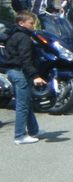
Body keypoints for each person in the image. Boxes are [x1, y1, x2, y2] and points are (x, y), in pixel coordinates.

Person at [5, 11, 47, 144]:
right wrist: (35, 75)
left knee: (26, 102)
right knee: (22, 105)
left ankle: (34, 130)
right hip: (19, 72)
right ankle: (19, 135)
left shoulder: (15, 35)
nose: (33, 25)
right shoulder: (23, 37)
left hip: (14, 71)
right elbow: (25, 59)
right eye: (31, 23)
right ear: (21, 23)